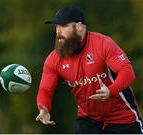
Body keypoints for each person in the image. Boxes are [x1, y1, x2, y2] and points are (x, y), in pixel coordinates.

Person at [35, 6, 143, 134]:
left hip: (122, 118)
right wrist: (43, 108)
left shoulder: (103, 44)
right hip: (88, 119)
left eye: (63, 26)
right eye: (56, 26)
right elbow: (45, 89)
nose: (58, 31)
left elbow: (127, 72)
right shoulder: (53, 59)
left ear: (79, 26)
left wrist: (110, 91)